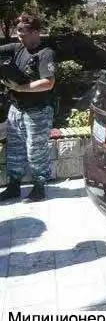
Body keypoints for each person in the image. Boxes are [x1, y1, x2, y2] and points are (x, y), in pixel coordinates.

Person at [0, 13, 56, 203]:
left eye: (24, 34)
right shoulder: (17, 48)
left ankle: (39, 188)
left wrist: (19, 87)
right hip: (16, 109)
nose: (20, 38)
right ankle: (14, 186)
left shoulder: (45, 53)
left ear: (36, 32)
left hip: (37, 111)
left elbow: (48, 83)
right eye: (18, 34)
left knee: (36, 151)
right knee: (14, 150)